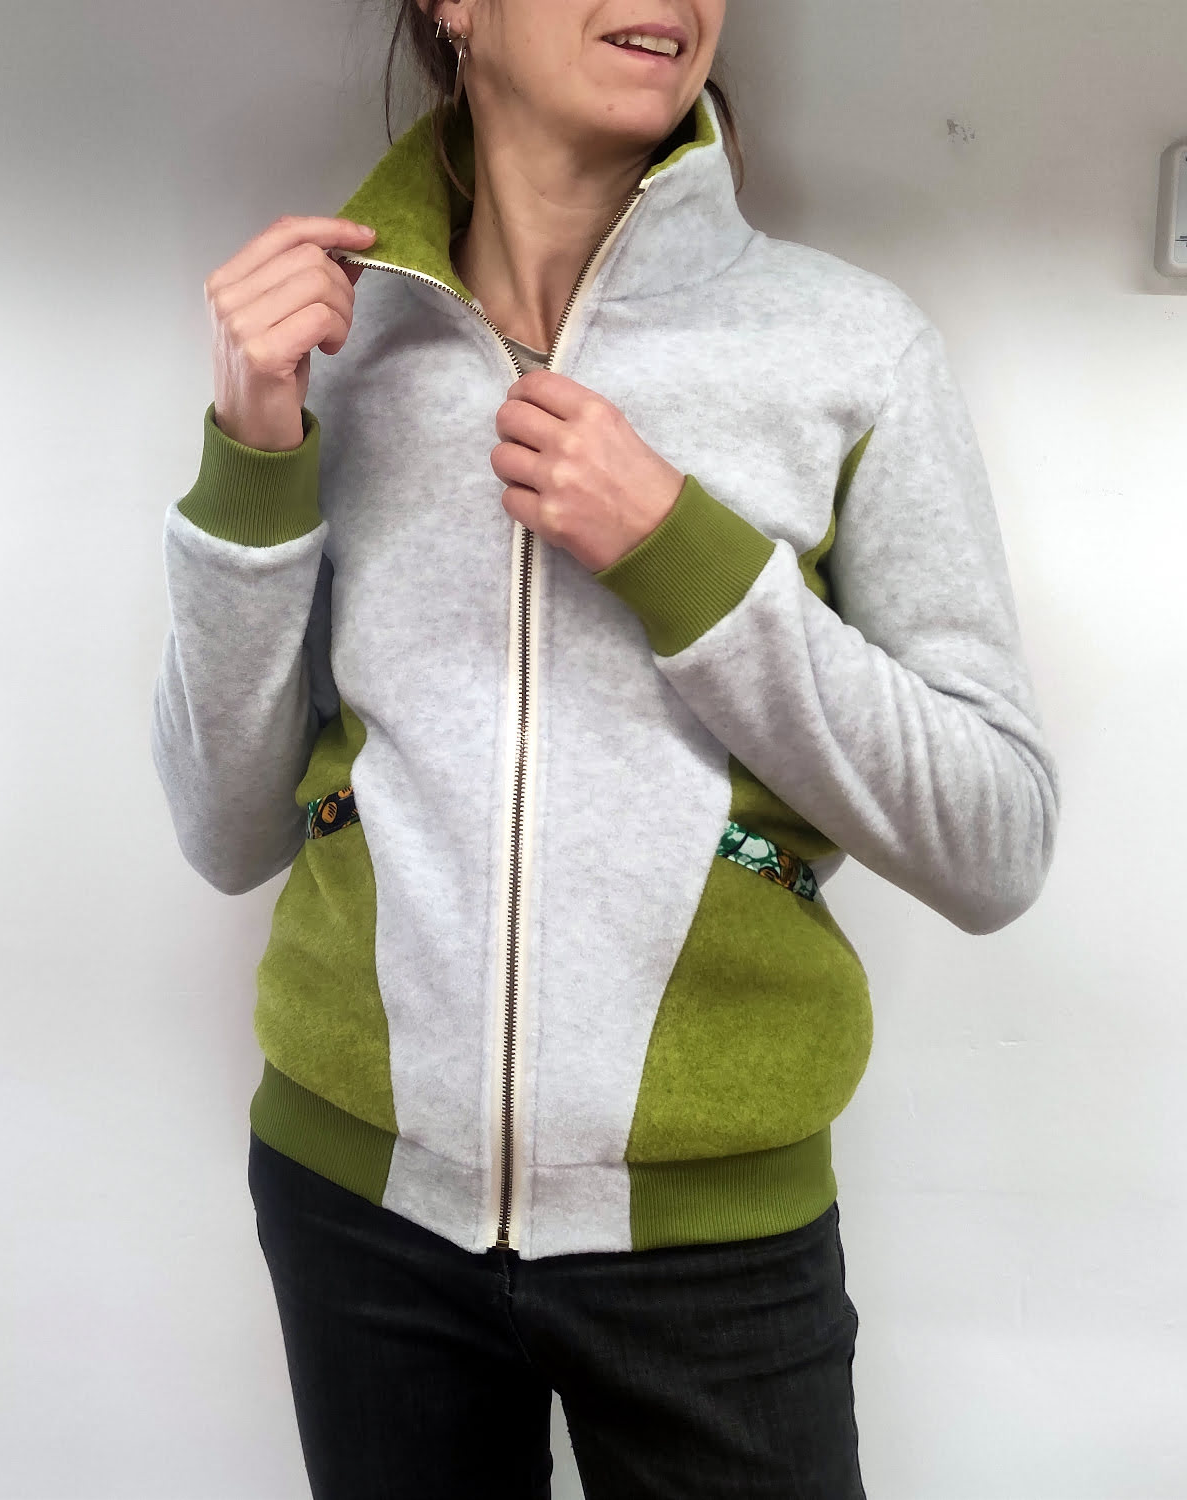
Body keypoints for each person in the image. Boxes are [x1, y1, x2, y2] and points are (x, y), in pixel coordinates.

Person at [151, 1, 1060, 1495]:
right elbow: (223, 829)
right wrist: (254, 455)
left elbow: (997, 841)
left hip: (715, 1247)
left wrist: (681, 552)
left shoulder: (851, 347)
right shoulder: (332, 346)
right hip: (354, 1208)